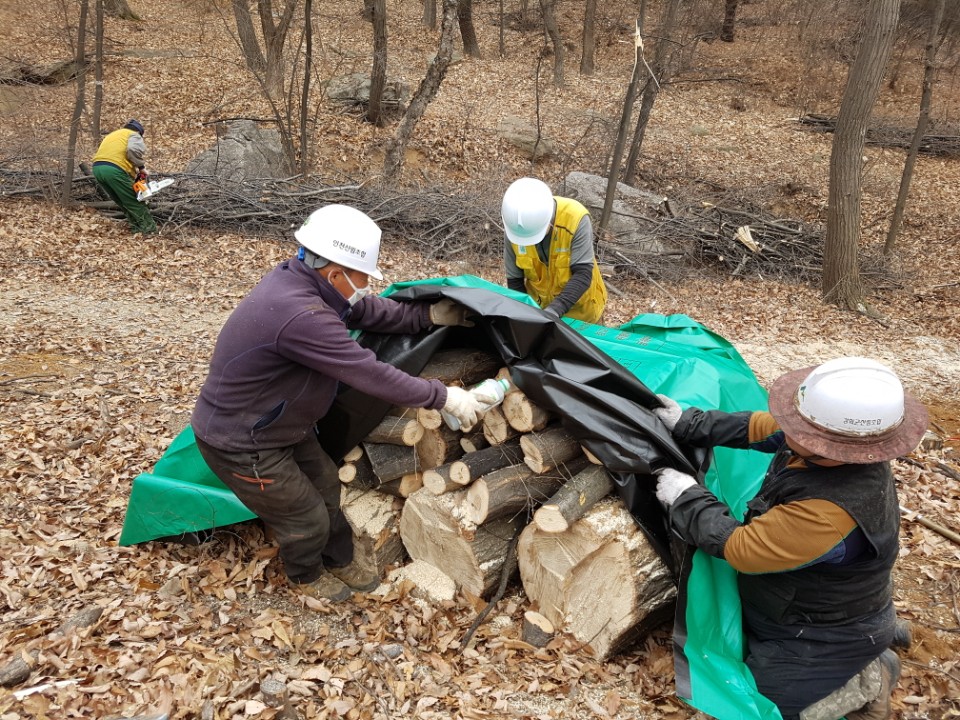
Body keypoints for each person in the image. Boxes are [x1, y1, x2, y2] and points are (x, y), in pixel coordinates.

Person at [190, 204, 485, 602]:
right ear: (334, 273)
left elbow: (364, 309)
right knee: (306, 517)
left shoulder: (309, 284)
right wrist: (445, 396)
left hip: (278, 426)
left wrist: (427, 314)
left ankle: (340, 556)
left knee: (327, 483)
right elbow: (370, 372)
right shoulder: (302, 314)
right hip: (243, 443)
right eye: (364, 276)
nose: (367, 284)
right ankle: (306, 574)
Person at [652, 357, 928, 720]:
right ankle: (869, 647)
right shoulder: (829, 445)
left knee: (761, 706)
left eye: (800, 426)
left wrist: (687, 498)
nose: (788, 427)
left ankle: (871, 674)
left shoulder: (830, 512)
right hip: (796, 603)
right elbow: (762, 427)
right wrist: (692, 422)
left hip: (818, 632)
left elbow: (742, 549)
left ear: (832, 443)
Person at [501, 177, 607, 324]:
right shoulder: (515, 228)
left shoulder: (574, 218)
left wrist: (554, 310)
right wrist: (523, 316)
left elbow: (583, 274)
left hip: (582, 315)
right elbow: (515, 281)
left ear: (549, 220)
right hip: (540, 313)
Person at [92, 119, 158, 234]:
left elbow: (117, 154)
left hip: (97, 168)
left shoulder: (113, 135)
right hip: (113, 170)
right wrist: (141, 167)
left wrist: (133, 172)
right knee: (134, 201)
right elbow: (132, 149)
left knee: (123, 201)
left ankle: (136, 229)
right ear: (139, 131)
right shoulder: (134, 135)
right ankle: (150, 231)